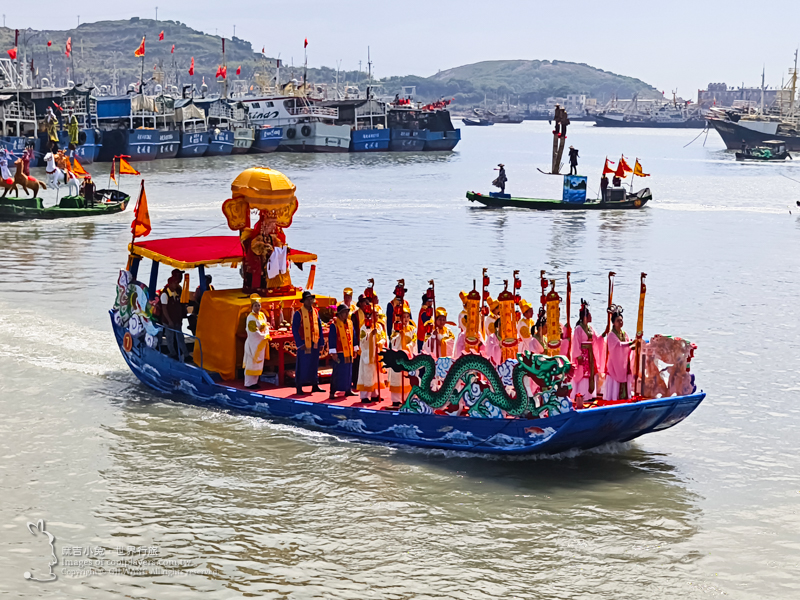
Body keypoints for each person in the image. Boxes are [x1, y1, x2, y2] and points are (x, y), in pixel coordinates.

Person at [570, 300, 605, 403]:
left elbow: (596, 340)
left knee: (591, 373)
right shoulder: (578, 329)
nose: (591, 317)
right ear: (585, 316)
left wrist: (604, 334)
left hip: (590, 354)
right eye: (589, 315)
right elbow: (575, 343)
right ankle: (582, 394)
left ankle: (590, 394)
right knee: (583, 374)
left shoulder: (590, 328)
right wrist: (578, 356)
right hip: (583, 354)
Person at [292, 291, 324, 395]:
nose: (310, 301)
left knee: (314, 364)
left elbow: (319, 327)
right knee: (302, 365)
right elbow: (295, 329)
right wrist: (300, 344)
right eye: (308, 299)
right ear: (304, 301)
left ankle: (314, 384)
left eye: (311, 299)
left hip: (314, 341)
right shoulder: (299, 313)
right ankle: (299, 386)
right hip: (304, 343)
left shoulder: (315, 311)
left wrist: (321, 342)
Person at [356, 295, 387, 403]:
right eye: (375, 315)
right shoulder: (364, 327)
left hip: (377, 353)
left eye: (378, 315)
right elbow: (362, 340)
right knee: (367, 374)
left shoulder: (378, 327)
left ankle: (375, 394)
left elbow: (383, 337)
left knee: (375, 375)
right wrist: (371, 336)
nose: (377, 317)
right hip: (368, 354)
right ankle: (364, 396)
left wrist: (380, 342)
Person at [603, 304, 634, 400]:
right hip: (615, 363)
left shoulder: (624, 333)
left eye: (621, 320)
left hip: (623, 362)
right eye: (618, 321)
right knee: (615, 380)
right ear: (613, 323)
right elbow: (618, 345)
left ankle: (625, 397)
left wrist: (633, 347)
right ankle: (613, 398)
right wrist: (630, 343)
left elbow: (627, 345)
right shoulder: (611, 335)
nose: (620, 322)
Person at [389, 301, 417, 407]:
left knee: (407, 378)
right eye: (403, 316)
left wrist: (408, 347)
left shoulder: (412, 329)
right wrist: (399, 335)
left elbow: (413, 342)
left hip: (407, 356)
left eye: (407, 316)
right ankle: (396, 399)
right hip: (398, 357)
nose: (405, 319)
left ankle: (406, 398)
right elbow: (393, 341)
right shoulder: (395, 327)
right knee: (397, 376)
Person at [328, 304, 358, 399]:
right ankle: (332, 391)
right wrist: (333, 352)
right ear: (339, 314)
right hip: (339, 352)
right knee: (337, 372)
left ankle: (348, 389)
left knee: (348, 371)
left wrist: (355, 348)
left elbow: (353, 336)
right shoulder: (334, 325)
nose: (346, 314)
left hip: (349, 351)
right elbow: (332, 338)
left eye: (347, 312)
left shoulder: (350, 323)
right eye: (344, 312)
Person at [243, 294, 271, 389]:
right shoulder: (250, 317)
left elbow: (266, 326)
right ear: (252, 307)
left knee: (258, 362)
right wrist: (263, 336)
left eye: (259, 305)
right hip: (253, 343)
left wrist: (266, 334)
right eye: (255, 306)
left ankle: (255, 382)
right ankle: (248, 383)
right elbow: (253, 331)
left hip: (260, 343)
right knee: (251, 362)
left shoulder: (262, 315)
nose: (258, 307)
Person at [160, 270, 188, 361]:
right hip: (169, 321)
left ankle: (186, 354)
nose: (176, 285)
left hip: (177, 320)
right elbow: (164, 309)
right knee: (170, 338)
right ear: (170, 283)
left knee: (180, 337)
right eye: (175, 283)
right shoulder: (165, 294)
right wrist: (169, 321)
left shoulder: (178, 291)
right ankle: (173, 353)